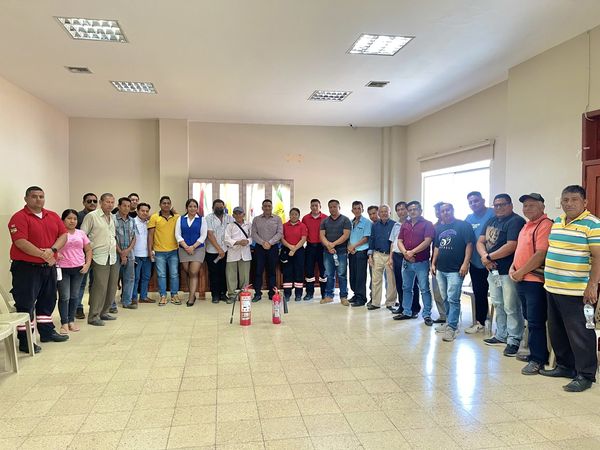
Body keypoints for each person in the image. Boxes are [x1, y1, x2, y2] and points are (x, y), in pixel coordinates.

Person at [540, 185, 600, 392]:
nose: (569, 203)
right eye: (565, 200)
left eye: (574, 199)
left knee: (581, 334)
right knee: (557, 331)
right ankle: (565, 367)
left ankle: (586, 375)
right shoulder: (557, 222)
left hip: (577, 291)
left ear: (585, 202)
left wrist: (592, 285)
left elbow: (598, 257)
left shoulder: (593, 224)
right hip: (553, 287)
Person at [8, 186, 69, 352]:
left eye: (41, 196)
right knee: (26, 303)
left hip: (48, 268)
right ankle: (25, 341)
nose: (38, 199)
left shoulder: (52, 216)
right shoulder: (19, 217)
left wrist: (52, 250)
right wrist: (44, 255)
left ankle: (47, 332)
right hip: (26, 269)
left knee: (48, 300)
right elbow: (20, 242)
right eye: (34, 196)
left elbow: (63, 235)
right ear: (26, 199)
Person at [477, 193, 526, 357]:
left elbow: (511, 246)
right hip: (493, 272)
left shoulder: (516, 221)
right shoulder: (491, 221)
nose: (499, 208)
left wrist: (489, 257)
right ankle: (501, 334)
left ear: (510, 205)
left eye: (502, 204)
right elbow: (480, 242)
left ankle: (514, 339)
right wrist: (485, 258)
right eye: (496, 205)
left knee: (511, 306)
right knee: (498, 303)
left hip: (508, 272)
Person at [509, 193, 553, 374]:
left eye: (532, 205)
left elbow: (540, 254)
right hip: (521, 279)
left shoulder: (545, 224)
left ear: (542, 207)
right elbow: (521, 251)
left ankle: (538, 360)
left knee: (536, 321)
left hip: (534, 281)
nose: (527, 209)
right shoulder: (527, 225)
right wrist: (513, 268)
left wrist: (520, 272)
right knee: (529, 318)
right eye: (525, 206)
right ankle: (536, 352)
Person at [431, 203, 473, 341]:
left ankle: (452, 328)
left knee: (453, 299)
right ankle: (449, 321)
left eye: (447, 210)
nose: (445, 213)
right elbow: (437, 247)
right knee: (445, 297)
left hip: (456, 270)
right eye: (442, 211)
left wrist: (465, 264)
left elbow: (469, 245)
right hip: (441, 269)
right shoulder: (439, 228)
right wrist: (433, 263)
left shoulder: (463, 225)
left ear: (453, 210)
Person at [395, 201, 437, 325]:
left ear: (420, 210)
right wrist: (405, 253)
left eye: (415, 209)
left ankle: (427, 314)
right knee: (406, 288)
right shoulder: (405, 224)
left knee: (424, 288)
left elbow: (427, 241)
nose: (412, 211)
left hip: (421, 262)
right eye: (410, 210)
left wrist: (412, 252)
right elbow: (399, 241)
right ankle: (407, 312)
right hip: (406, 261)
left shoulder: (427, 224)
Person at [81, 193, 119, 326]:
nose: (110, 204)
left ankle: (104, 312)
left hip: (112, 255)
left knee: (112, 286)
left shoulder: (113, 217)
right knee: (100, 287)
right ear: (101, 202)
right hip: (98, 256)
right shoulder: (92, 216)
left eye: (112, 202)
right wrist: (88, 253)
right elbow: (82, 235)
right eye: (107, 202)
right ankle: (93, 316)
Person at [57, 209, 92, 335]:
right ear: (63, 220)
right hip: (63, 268)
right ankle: (64, 323)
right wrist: (56, 255)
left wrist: (87, 264)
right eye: (69, 218)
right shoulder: (59, 233)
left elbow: (88, 250)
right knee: (64, 297)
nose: (72, 221)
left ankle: (71, 321)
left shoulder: (81, 233)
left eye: (75, 219)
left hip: (79, 269)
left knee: (74, 296)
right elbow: (52, 248)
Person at [464, 191, 495, 333]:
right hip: (476, 262)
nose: (473, 204)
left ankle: (505, 328)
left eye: (476, 201)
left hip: (494, 261)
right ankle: (481, 322)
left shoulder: (493, 213)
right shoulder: (469, 218)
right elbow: (466, 240)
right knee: (479, 292)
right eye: (470, 202)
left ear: (483, 200)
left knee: (499, 295)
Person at [148, 196, 181, 306]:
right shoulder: (154, 217)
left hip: (173, 251)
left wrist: (176, 212)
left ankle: (174, 295)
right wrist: (150, 250)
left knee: (174, 274)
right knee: (161, 275)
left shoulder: (176, 217)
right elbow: (150, 235)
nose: (166, 205)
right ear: (160, 205)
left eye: (168, 203)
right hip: (159, 252)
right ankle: (163, 296)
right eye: (164, 203)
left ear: (170, 204)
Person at [389, 201, 420, 317]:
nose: (401, 212)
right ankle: (402, 306)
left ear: (407, 210)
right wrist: (391, 258)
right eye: (398, 210)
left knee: (412, 284)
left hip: (409, 256)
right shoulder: (396, 225)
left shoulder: (413, 223)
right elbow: (393, 243)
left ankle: (414, 308)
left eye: (403, 209)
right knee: (400, 282)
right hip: (397, 256)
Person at [175, 199, 207, 307]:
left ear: (197, 208)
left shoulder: (202, 219)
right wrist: (186, 247)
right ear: (186, 208)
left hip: (198, 249)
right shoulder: (180, 219)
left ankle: (191, 297)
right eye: (190, 206)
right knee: (188, 272)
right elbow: (177, 234)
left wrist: (193, 247)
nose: (192, 208)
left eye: (194, 206)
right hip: (183, 249)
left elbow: (203, 235)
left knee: (193, 272)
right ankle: (192, 294)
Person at [319, 199, 351, 304]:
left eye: (334, 207)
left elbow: (346, 235)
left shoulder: (345, 220)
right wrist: (328, 246)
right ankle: (329, 296)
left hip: (341, 252)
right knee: (329, 274)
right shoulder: (324, 221)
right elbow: (322, 235)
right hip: (327, 252)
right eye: (330, 207)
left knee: (342, 274)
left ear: (339, 207)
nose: (332, 209)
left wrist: (333, 244)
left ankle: (343, 296)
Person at [251, 199, 283, 301]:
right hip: (259, 248)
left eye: (269, 206)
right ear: (262, 207)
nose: (267, 208)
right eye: (265, 206)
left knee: (272, 272)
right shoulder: (256, 219)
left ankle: (271, 293)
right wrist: (263, 243)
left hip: (273, 248)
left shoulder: (277, 219)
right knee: (258, 271)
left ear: (272, 207)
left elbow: (280, 233)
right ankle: (257, 293)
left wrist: (270, 243)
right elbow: (253, 233)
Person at [367, 204, 396, 310]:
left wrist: (392, 257)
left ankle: (390, 302)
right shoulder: (374, 226)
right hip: (377, 254)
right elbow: (371, 240)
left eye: (386, 211)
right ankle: (375, 302)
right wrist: (370, 256)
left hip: (390, 255)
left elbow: (395, 241)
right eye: (382, 212)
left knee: (391, 280)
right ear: (379, 213)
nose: (384, 213)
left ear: (390, 212)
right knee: (376, 280)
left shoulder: (394, 225)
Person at [205, 199, 234, 303]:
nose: (219, 209)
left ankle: (223, 294)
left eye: (221, 207)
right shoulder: (208, 218)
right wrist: (219, 249)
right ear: (213, 208)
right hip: (212, 251)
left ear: (224, 207)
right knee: (214, 274)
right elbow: (210, 235)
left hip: (226, 251)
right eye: (217, 207)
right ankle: (215, 295)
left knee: (224, 273)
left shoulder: (229, 218)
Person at [75, 192, 97, 319]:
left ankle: (94, 306)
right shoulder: (78, 217)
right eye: (89, 201)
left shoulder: (99, 216)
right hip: (82, 256)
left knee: (95, 283)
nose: (92, 203)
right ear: (83, 203)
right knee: (81, 283)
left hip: (97, 255)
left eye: (94, 201)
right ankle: (78, 307)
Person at [224, 207, 252, 302]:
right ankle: (231, 295)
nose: (238, 215)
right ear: (233, 215)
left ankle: (244, 295)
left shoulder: (249, 224)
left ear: (244, 214)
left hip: (245, 253)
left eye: (240, 213)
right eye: (236, 213)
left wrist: (247, 241)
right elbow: (226, 239)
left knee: (245, 276)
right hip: (233, 253)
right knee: (231, 275)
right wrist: (238, 242)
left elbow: (252, 237)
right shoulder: (230, 226)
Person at [301, 199, 327, 301]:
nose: (314, 207)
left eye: (316, 205)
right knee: (309, 271)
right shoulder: (305, 218)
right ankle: (309, 293)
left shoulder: (325, 218)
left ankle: (324, 293)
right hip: (310, 247)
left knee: (323, 271)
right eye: (313, 205)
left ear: (320, 206)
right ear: (310, 207)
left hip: (322, 247)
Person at [113, 197, 137, 310]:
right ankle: (111, 304)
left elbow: (134, 237)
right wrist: (121, 252)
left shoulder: (132, 220)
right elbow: (112, 238)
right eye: (124, 206)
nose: (126, 208)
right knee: (113, 280)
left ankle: (127, 301)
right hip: (115, 254)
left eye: (128, 206)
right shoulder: (112, 219)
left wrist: (127, 251)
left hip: (130, 254)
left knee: (129, 278)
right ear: (119, 206)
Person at [281, 208, 308, 301]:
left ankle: (298, 294)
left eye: (296, 214)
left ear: (299, 216)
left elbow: (303, 239)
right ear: (289, 215)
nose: (294, 216)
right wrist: (290, 247)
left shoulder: (302, 226)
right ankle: (287, 294)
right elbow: (282, 238)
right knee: (287, 272)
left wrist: (294, 249)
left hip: (299, 251)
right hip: (286, 250)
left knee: (299, 272)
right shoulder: (284, 225)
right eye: (292, 214)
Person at [348, 201, 371, 307]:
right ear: (352, 210)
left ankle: (361, 298)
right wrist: (349, 247)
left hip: (361, 252)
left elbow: (366, 238)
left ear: (362, 210)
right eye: (355, 208)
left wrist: (354, 246)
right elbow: (348, 237)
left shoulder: (367, 222)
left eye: (359, 208)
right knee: (353, 275)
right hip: (352, 252)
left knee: (360, 276)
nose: (357, 210)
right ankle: (356, 295)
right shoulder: (350, 222)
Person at [132, 202, 154, 304]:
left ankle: (143, 296)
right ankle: (133, 298)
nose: (145, 213)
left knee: (146, 277)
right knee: (135, 278)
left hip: (147, 254)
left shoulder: (149, 223)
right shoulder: (132, 222)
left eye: (147, 211)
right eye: (142, 211)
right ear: (137, 211)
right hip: (135, 255)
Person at [430, 202, 447, 324]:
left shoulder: (457, 225)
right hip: (436, 263)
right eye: (436, 210)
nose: (438, 213)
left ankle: (452, 317)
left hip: (453, 265)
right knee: (437, 291)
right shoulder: (434, 227)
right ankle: (443, 315)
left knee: (450, 293)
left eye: (440, 210)